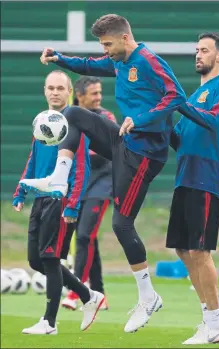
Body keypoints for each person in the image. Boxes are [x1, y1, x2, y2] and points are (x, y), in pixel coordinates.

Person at [19, 14, 186, 333]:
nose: (105, 51)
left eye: (107, 44)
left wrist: (141, 119)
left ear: (124, 38)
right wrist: (59, 58)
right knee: (72, 113)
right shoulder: (119, 61)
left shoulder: (148, 60)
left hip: (145, 155)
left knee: (121, 224)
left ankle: (148, 297)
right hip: (126, 143)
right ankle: (59, 176)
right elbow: (88, 65)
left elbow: (175, 97)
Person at [13, 70, 105, 335]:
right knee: (35, 261)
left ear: (69, 93)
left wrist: (73, 203)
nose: (54, 92)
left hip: (60, 199)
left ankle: (49, 323)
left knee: (50, 258)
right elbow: (33, 160)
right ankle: (88, 295)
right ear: (45, 91)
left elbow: (81, 169)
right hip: (40, 199)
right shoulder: (42, 121)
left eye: (59, 88)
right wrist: (21, 191)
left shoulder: (75, 124)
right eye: (50, 88)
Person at [168, 32, 219, 344]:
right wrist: (157, 122)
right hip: (183, 176)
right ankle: (208, 319)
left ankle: (217, 323)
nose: (198, 55)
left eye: (205, 50)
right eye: (196, 50)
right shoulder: (192, 96)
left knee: (200, 249)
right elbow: (178, 141)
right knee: (183, 249)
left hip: (205, 177)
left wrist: (177, 103)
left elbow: (212, 120)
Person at [62, 76, 116, 311]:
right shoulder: (67, 117)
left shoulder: (106, 118)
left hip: (102, 186)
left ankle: (77, 291)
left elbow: (106, 152)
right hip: (77, 187)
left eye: (100, 93)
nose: (99, 98)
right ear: (79, 95)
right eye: (94, 93)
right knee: (87, 238)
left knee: (84, 237)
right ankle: (100, 293)